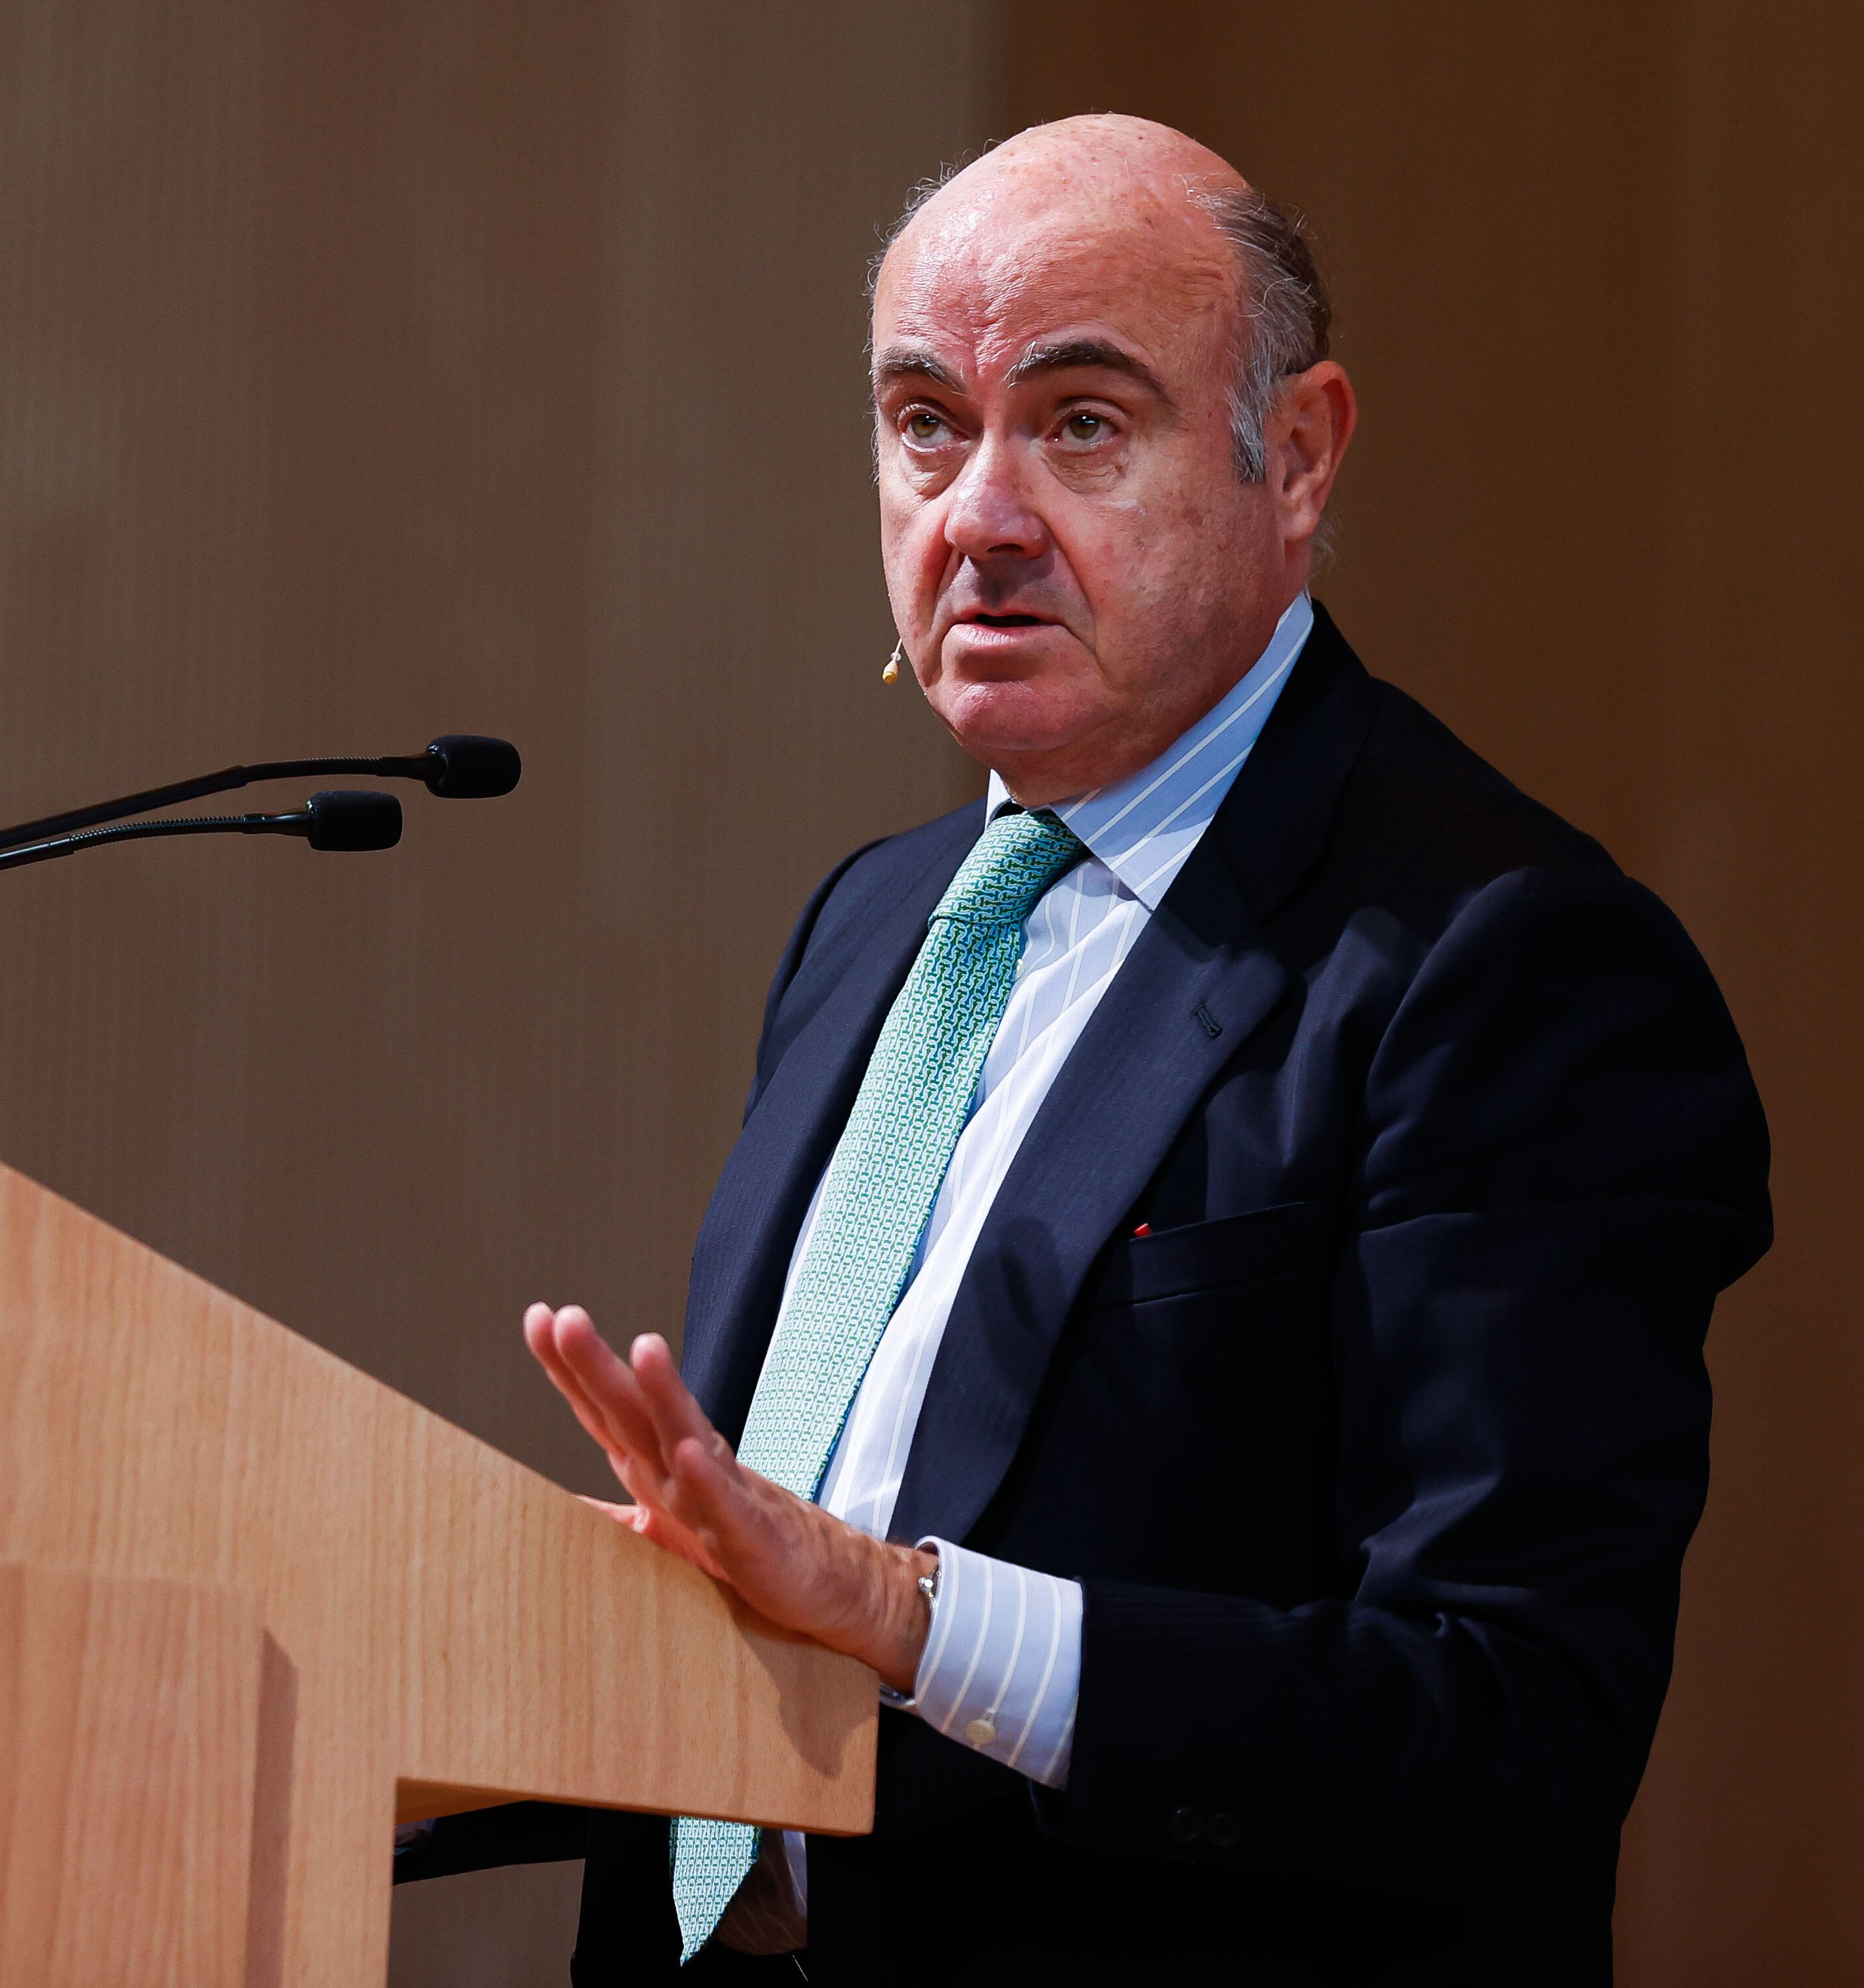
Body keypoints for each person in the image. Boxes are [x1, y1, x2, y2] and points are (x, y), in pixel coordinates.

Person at [395, 114, 1770, 1983]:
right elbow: (803, 1628)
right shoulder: (875, 922)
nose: (974, 515)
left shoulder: (1503, 963)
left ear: (1291, 456)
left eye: (1078, 422)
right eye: (923, 425)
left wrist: (904, 1611)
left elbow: (1507, 1722)